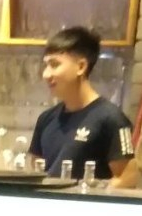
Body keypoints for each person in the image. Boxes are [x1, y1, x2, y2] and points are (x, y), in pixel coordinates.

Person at [28, 26, 135, 183]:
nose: (46, 74)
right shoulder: (46, 118)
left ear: (81, 67)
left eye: (55, 64)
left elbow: (127, 179)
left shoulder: (112, 119)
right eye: (46, 65)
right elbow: (35, 173)